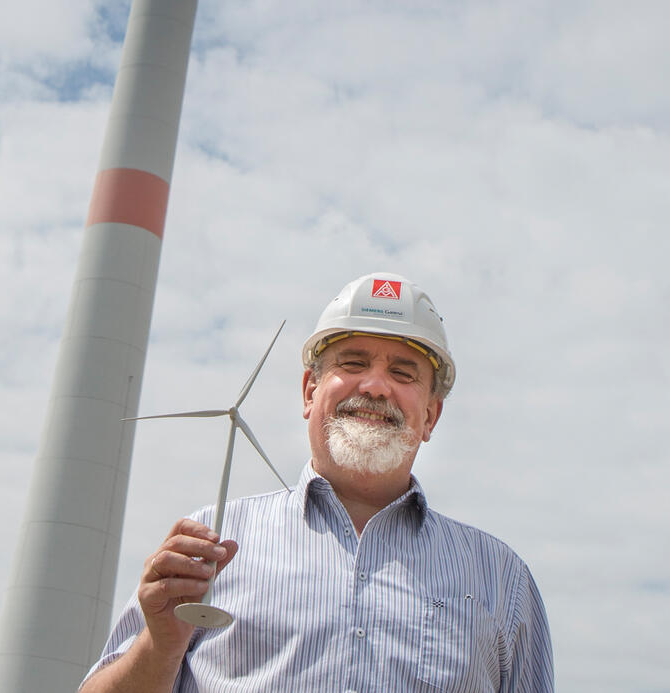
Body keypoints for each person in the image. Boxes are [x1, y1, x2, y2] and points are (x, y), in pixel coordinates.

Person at [80, 272, 554, 692]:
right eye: (352, 364)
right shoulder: (209, 546)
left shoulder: (501, 579)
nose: (374, 386)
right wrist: (159, 645)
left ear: (431, 414)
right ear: (310, 391)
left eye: (403, 372)